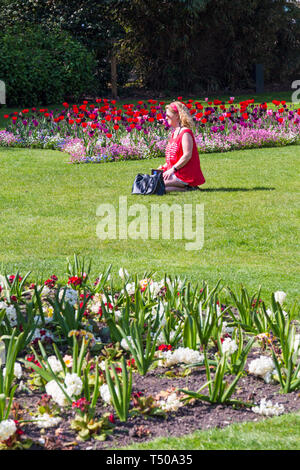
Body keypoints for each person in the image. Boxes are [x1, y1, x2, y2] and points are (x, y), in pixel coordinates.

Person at [157, 101, 206, 192]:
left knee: (158, 184)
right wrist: (164, 167)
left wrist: (172, 170)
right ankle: (189, 188)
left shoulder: (185, 133)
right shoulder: (175, 133)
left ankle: (189, 186)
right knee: (156, 185)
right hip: (176, 172)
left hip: (185, 174)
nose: (166, 117)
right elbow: (174, 158)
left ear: (177, 115)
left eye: (168, 115)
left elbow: (187, 155)